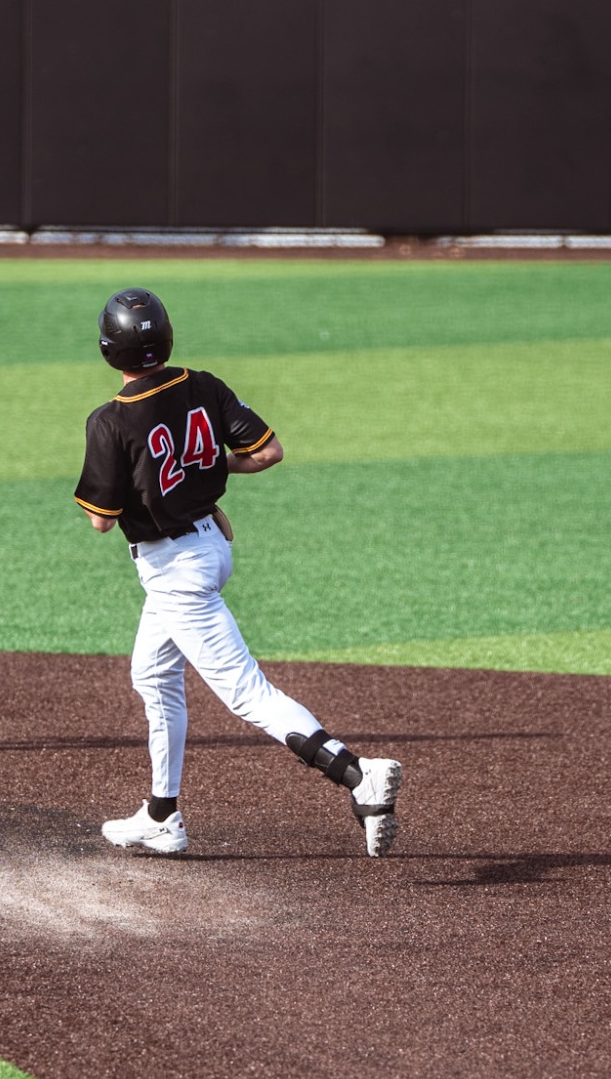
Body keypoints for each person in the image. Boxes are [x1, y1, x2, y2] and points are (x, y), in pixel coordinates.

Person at [74, 287, 402, 856]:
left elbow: (101, 520)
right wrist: (199, 477)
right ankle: (161, 814)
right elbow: (267, 452)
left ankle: (357, 774)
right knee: (152, 675)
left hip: (176, 569)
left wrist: (164, 484)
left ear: (109, 349)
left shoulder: (110, 420)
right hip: (209, 547)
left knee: (248, 693)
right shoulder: (203, 384)